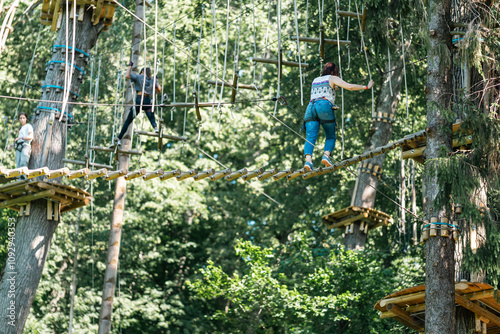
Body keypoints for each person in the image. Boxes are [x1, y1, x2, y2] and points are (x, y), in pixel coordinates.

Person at [303, 62, 374, 171]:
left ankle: (308, 161)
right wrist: (366, 87)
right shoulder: (332, 78)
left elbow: (321, 92)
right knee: (330, 136)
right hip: (324, 106)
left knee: (310, 137)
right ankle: (326, 156)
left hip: (310, 108)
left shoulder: (315, 80)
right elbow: (349, 87)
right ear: (333, 72)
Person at [114, 62, 162, 146]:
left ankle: (119, 138)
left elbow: (127, 76)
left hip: (139, 101)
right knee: (152, 118)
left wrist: (130, 66)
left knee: (128, 121)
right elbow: (159, 90)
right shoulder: (153, 80)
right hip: (147, 101)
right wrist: (156, 81)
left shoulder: (139, 76)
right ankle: (156, 128)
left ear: (142, 72)